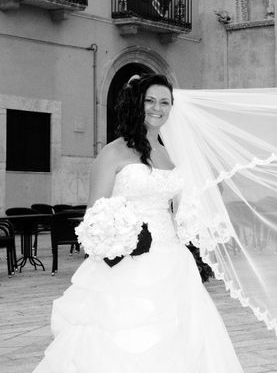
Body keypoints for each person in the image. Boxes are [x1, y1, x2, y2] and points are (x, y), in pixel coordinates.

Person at [34, 74, 244, 373]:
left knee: (183, 339)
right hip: (125, 265)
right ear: (137, 103)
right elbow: (95, 213)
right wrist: (119, 238)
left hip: (173, 261)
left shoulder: (173, 153)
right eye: (150, 100)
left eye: (165, 102)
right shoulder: (113, 152)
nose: (157, 108)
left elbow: (182, 209)